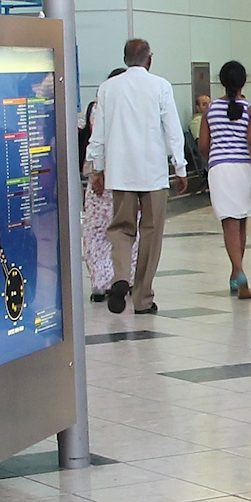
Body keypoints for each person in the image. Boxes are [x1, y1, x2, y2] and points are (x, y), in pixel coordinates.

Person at [86, 39, 187, 316]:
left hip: (120, 173)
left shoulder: (107, 89)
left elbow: (99, 133)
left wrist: (97, 167)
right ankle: (142, 298)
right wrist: (180, 167)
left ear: (125, 58)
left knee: (121, 228)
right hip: (153, 173)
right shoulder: (161, 86)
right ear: (149, 60)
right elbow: (172, 130)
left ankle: (120, 278)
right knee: (151, 234)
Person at [200, 61, 251, 298]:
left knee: (229, 223)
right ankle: (237, 272)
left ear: (221, 82)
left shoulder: (209, 111)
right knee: (242, 221)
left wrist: (212, 160)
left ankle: (238, 272)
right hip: (243, 167)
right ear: (244, 81)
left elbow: (203, 145)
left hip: (220, 168)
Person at [80, 67, 124, 305]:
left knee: (97, 231)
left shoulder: (100, 107)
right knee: (126, 230)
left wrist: (98, 172)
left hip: (102, 178)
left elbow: (97, 141)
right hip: (126, 178)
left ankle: (101, 281)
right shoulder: (133, 108)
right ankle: (122, 278)